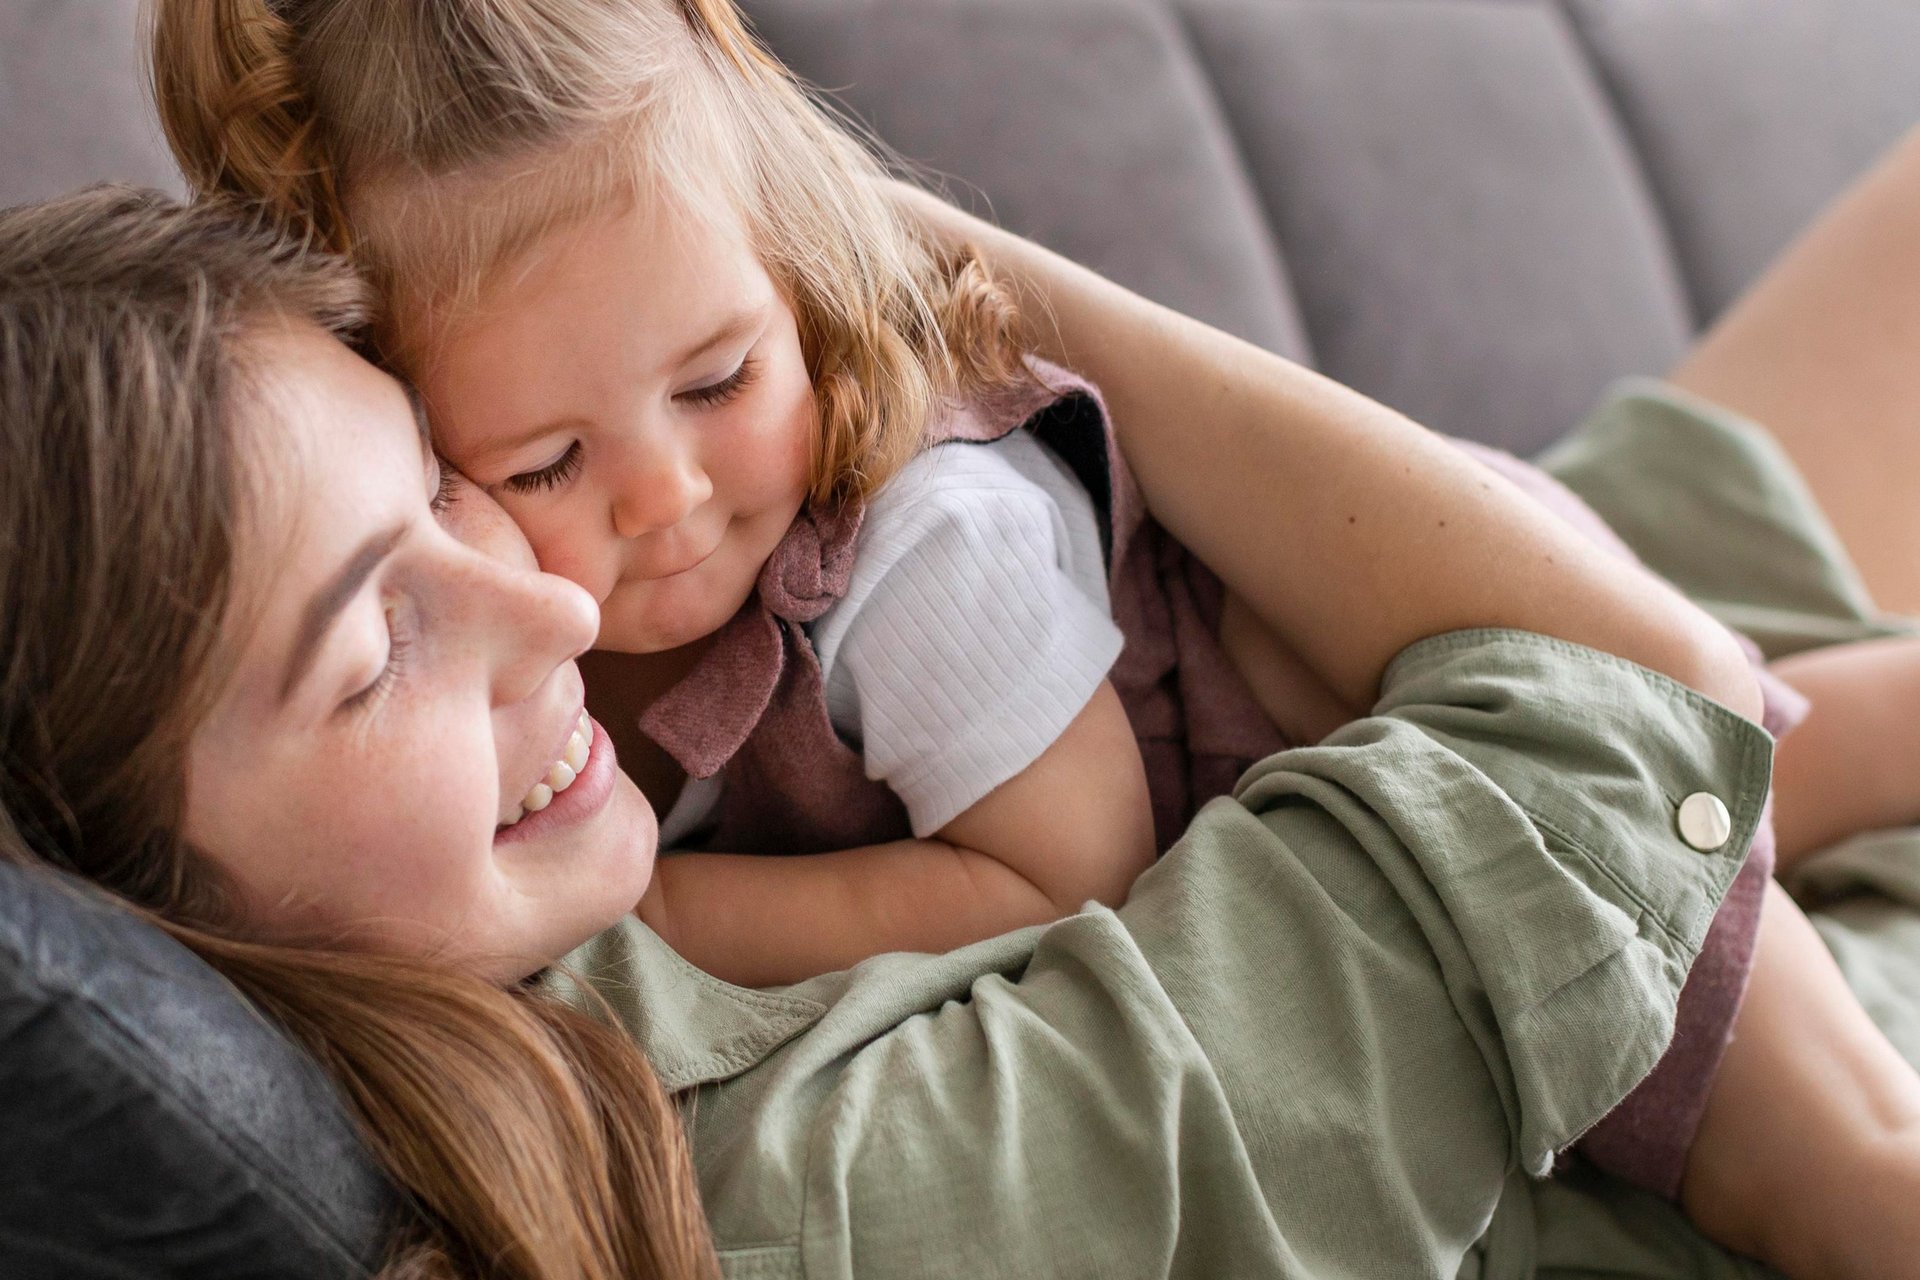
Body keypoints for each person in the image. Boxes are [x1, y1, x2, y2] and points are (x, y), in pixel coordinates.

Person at [147, 2, 1920, 1274]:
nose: (666, 502)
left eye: (721, 377)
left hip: (1412, 691)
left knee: (1850, 1165)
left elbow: (1080, 862)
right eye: (535, 465)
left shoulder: (922, 538)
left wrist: (675, 910)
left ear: (797, 278)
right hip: (1454, 756)